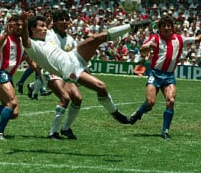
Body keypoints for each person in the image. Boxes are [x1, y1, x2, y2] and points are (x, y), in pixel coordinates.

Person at [21, 11, 151, 125]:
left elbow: (52, 27)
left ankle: (131, 27)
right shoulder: (32, 45)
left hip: (73, 56)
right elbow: (25, 39)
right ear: (32, 29)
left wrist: (48, 21)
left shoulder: (48, 36)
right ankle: (115, 113)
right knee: (101, 87)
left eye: (45, 26)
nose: (45, 28)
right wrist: (24, 22)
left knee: (95, 38)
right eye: (41, 26)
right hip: (69, 69)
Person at [129, 14, 201, 139]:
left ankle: (165, 131)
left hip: (169, 76)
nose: (167, 28)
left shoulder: (179, 39)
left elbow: (199, 38)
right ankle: (139, 113)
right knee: (150, 102)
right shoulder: (155, 38)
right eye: (164, 26)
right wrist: (146, 47)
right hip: (155, 74)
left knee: (171, 101)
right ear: (160, 28)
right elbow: (142, 50)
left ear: (172, 27)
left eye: (169, 26)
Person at [43, 9, 83, 139]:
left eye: (66, 19)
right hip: (51, 71)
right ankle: (53, 132)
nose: (64, 22)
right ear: (54, 22)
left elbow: (74, 58)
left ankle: (65, 128)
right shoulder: (48, 34)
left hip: (66, 73)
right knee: (65, 98)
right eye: (61, 19)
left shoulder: (70, 40)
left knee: (77, 98)